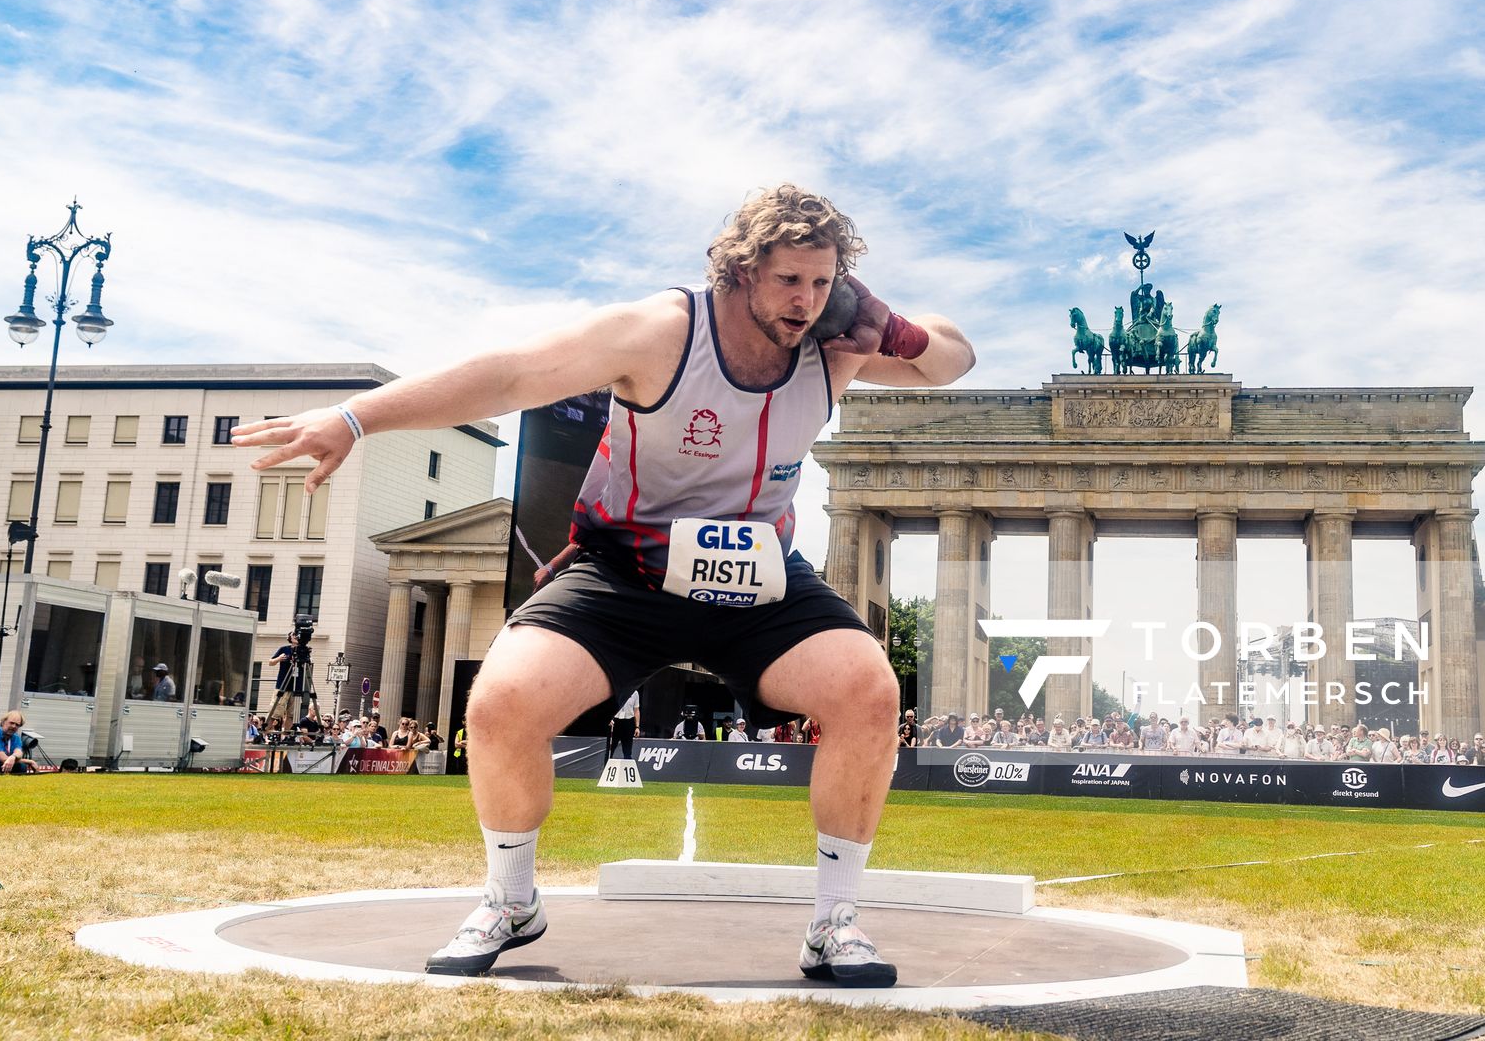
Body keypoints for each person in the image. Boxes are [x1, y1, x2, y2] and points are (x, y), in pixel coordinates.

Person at [233, 185, 970, 985]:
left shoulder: (837, 343)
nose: (807, 302)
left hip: (759, 573)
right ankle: (512, 901)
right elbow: (513, 375)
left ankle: (834, 926)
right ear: (741, 270)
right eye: (791, 280)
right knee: (503, 700)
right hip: (625, 569)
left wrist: (900, 330)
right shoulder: (659, 331)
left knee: (867, 690)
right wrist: (355, 419)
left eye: (824, 282)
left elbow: (952, 359)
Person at [606, 689, 639, 762]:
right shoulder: (616, 689)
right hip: (615, 722)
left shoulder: (635, 693)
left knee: (627, 752)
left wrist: (637, 727)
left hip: (628, 722)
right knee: (609, 751)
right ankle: (606, 770)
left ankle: (625, 772)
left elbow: (636, 710)